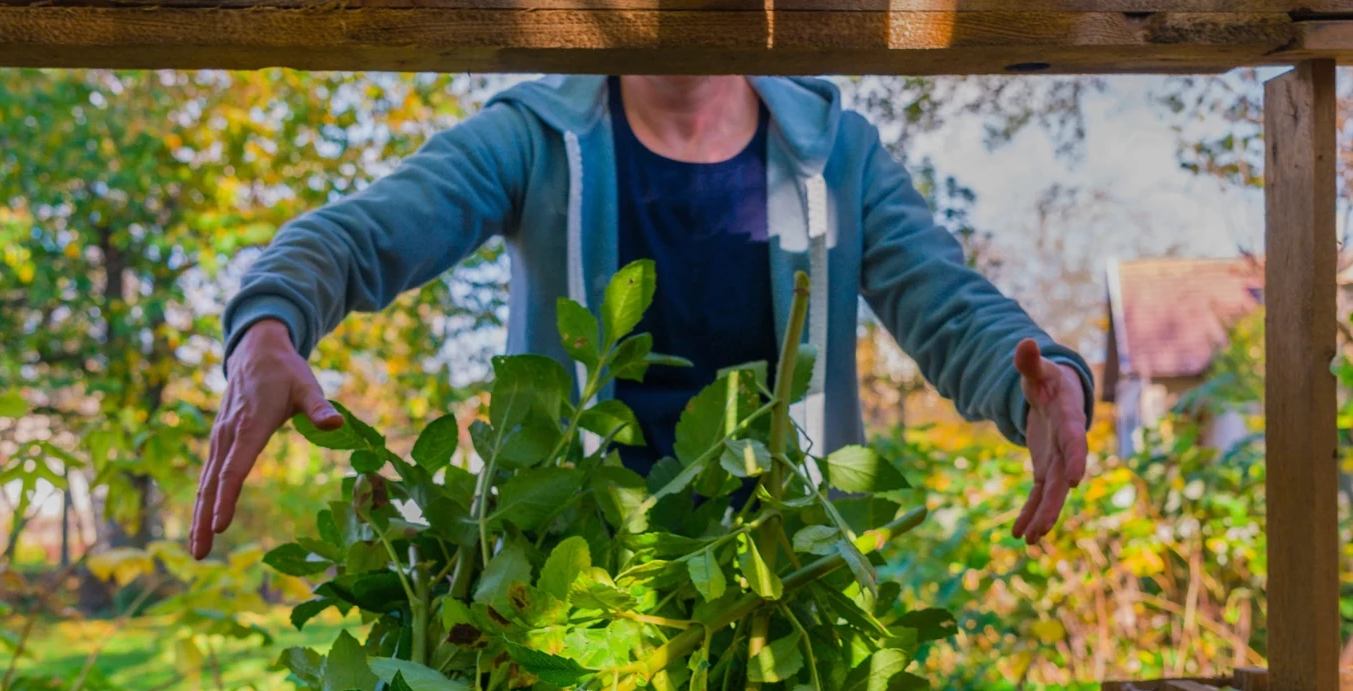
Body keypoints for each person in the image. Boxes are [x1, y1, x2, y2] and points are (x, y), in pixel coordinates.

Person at [188, 75, 1092, 559]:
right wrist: (270, 324)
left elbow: (947, 304)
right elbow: (361, 234)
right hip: (567, 598)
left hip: (774, 602)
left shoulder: (837, 155)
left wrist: (1042, 386)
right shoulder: (535, 138)